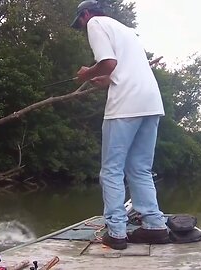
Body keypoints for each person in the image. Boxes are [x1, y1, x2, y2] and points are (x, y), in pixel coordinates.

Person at [71, 0, 169, 250]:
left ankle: (116, 232)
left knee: (111, 170)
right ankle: (155, 226)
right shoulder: (126, 30)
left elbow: (108, 63)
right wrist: (106, 80)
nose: (82, 27)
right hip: (151, 103)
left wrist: (87, 74)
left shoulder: (94, 22)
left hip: (126, 105)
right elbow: (119, 69)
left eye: (80, 22)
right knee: (140, 168)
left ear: (86, 14)